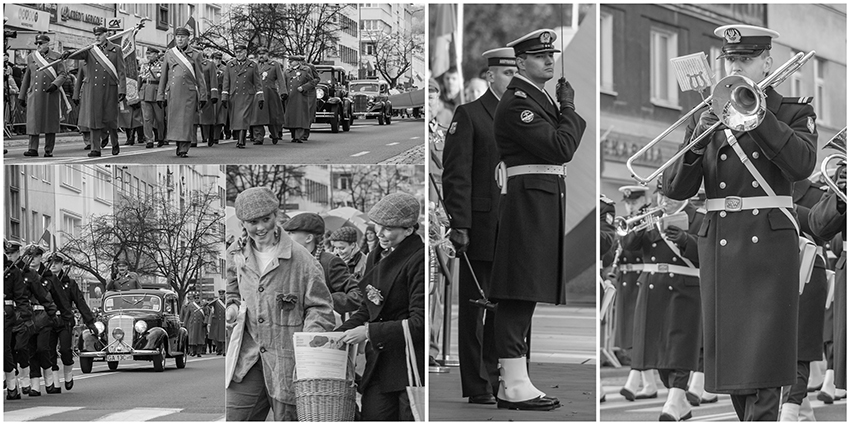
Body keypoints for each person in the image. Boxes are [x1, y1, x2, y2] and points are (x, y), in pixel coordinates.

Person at [664, 24, 818, 421]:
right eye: (730, 59)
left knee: (765, 362)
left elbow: (801, 164)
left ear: (767, 61)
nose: (735, 65)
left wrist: (759, 115)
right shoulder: (706, 113)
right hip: (720, 245)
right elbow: (675, 188)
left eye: (744, 59)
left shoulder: (794, 110)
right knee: (734, 368)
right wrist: (698, 138)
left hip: (768, 245)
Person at [490, 28, 586, 411]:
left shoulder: (535, 97)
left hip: (538, 201)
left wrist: (561, 109)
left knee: (525, 292)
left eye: (551, 55)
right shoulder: (517, 103)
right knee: (517, 292)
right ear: (520, 62)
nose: (549, 61)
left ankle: (513, 381)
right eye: (540, 56)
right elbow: (560, 148)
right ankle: (513, 383)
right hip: (528, 203)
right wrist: (569, 110)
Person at [442, 46, 516, 405]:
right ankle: (477, 384)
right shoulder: (469, 114)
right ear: (490, 75)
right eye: (506, 72)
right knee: (475, 310)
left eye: (517, 71)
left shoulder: (524, 115)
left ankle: (506, 377)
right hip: (481, 225)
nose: (513, 78)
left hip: (516, 226)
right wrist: (460, 224)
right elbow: (457, 175)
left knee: (509, 308)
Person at [225, 187, 335, 421]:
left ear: (276, 215)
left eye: (267, 219)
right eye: (253, 222)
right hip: (248, 359)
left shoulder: (302, 259)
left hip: (288, 363)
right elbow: (232, 292)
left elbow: (321, 307)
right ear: (243, 222)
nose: (261, 227)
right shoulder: (236, 253)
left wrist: (309, 344)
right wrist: (232, 308)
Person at [337, 192, 425, 420]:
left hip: (408, 364)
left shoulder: (419, 258)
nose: (380, 234)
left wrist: (367, 332)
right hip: (380, 361)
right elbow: (369, 308)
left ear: (408, 229)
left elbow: (420, 323)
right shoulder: (377, 254)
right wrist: (336, 334)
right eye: (378, 226)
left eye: (388, 228)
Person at [621, 180, 703, 421]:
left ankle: (673, 401)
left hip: (684, 289)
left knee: (679, 348)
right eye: (661, 197)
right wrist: (641, 223)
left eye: (671, 198)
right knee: (659, 352)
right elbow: (628, 245)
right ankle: (681, 403)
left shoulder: (698, 218)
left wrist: (686, 240)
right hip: (654, 288)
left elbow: (709, 253)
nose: (664, 202)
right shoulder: (651, 218)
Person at [615, 185, 658, 400]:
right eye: (627, 203)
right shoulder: (627, 221)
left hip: (643, 279)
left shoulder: (652, 219)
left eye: (634, 202)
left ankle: (635, 380)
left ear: (644, 200)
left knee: (641, 333)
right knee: (633, 335)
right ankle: (649, 385)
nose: (630, 206)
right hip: (626, 282)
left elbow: (636, 247)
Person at [64, 25, 126, 157]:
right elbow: (78, 55)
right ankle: (95, 148)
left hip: (110, 88)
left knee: (110, 119)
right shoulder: (91, 50)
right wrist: (69, 53)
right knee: (94, 119)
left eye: (99, 34)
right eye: (95, 35)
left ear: (106, 34)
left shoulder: (116, 49)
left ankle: (115, 142)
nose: (97, 37)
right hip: (93, 90)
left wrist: (123, 90)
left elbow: (121, 71)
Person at [283, 213, 361, 316]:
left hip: (321, 325)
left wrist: (322, 301)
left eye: (291, 233)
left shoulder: (329, 262)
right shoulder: (286, 260)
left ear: (308, 238)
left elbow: (357, 295)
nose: (285, 237)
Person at [42, 253, 97, 392]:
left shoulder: (69, 283)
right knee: (49, 351)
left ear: (62, 264)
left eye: (57, 262)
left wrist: (90, 322)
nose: (53, 265)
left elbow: (80, 302)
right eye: (51, 262)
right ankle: (55, 382)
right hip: (48, 319)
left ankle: (68, 374)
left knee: (65, 350)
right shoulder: (43, 281)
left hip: (65, 320)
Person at [157, 27, 208, 158]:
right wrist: (160, 95)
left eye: (182, 37)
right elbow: (163, 76)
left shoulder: (196, 54)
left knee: (186, 121)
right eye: (177, 37)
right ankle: (179, 144)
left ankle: (183, 148)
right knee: (175, 121)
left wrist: (203, 95)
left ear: (188, 39)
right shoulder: (169, 54)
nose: (179, 39)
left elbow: (200, 77)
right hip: (173, 93)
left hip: (189, 93)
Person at [17, 34, 67, 158]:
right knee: (33, 122)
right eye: (37, 44)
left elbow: (63, 74)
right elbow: (27, 77)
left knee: (50, 123)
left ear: (47, 44)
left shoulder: (56, 57)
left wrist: (55, 85)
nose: (38, 46)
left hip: (50, 93)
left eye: (41, 43)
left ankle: (48, 150)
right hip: (35, 94)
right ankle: (32, 148)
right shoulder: (31, 57)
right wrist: (21, 96)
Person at [21, 246, 60, 396]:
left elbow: (58, 297)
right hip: (28, 315)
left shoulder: (48, 276)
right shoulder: (22, 274)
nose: (32, 259)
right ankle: (35, 384)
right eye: (30, 256)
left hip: (44, 315)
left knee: (42, 348)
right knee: (30, 350)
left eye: (36, 256)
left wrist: (62, 315)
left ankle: (49, 377)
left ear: (40, 258)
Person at [222, 45, 262, 149]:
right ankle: (239, 137)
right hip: (234, 95)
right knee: (236, 119)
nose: (238, 54)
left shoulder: (253, 65)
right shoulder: (230, 65)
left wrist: (260, 97)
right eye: (236, 52)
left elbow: (258, 83)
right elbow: (226, 81)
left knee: (243, 118)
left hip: (247, 96)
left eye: (240, 52)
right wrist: (224, 96)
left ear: (245, 53)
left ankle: (241, 140)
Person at [4, 241, 28, 400]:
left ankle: (12, 383)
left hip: (5, 313)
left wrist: (23, 317)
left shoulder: (12, 271)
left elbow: (21, 296)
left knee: (4, 348)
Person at [251, 47, 285, 145]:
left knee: (272, 116)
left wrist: (283, 92)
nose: (261, 56)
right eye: (259, 54)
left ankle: (274, 134)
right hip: (257, 94)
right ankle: (258, 137)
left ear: (267, 55)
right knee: (257, 117)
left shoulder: (275, 65)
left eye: (263, 54)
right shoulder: (254, 66)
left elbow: (280, 79)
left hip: (270, 94)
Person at [283, 55, 315, 143]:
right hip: (290, 97)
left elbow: (312, 81)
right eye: (289, 61)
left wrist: (304, 87)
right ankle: (294, 135)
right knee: (291, 117)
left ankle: (299, 136)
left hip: (301, 96)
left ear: (297, 61)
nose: (290, 62)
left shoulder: (306, 70)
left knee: (300, 116)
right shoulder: (287, 71)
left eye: (292, 61)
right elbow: (283, 83)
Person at [138, 47, 165, 148]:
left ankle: (161, 137)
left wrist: (164, 95)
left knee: (159, 119)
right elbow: (140, 79)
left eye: (150, 54)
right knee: (147, 119)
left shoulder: (162, 65)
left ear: (156, 54)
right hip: (145, 92)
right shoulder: (144, 66)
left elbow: (164, 81)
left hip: (157, 92)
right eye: (147, 54)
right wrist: (138, 93)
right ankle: (149, 139)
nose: (148, 56)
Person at [194, 49, 219, 148]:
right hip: (194, 94)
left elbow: (213, 79)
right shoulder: (189, 63)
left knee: (208, 118)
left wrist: (214, 94)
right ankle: (193, 139)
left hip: (207, 93)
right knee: (194, 118)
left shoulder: (209, 64)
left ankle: (210, 136)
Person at [211, 51, 229, 143]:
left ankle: (216, 137)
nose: (217, 61)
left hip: (220, 93)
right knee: (210, 116)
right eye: (215, 59)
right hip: (210, 94)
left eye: (219, 59)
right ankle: (208, 136)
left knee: (220, 117)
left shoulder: (225, 69)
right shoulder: (209, 67)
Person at [208, 289, 226, 355]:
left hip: (224, 322)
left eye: (222, 294)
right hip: (218, 322)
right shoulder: (216, 302)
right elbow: (209, 305)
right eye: (220, 295)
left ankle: (224, 350)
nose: (221, 296)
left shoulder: (227, 302)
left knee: (224, 337)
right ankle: (219, 349)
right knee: (217, 337)